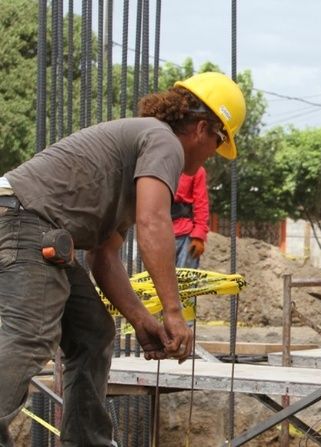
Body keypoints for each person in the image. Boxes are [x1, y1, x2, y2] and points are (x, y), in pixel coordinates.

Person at [0, 71, 246, 446]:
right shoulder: (164, 143)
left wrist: (144, 320)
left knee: (93, 332)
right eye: (219, 140)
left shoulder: (142, 149)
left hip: (36, 227)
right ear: (201, 128)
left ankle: (87, 442)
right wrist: (174, 313)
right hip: (24, 221)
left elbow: (106, 257)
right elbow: (153, 222)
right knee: (30, 335)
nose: (215, 152)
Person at [172, 167, 210, 269]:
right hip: (157, 233)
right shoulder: (158, 164)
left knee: (185, 282)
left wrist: (198, 237)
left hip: (184, 236)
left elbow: (201, 204)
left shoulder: (196, 169)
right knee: (155, 282)